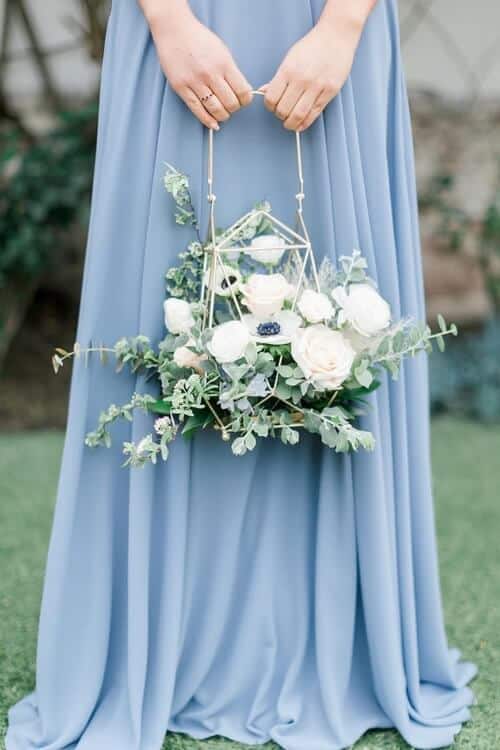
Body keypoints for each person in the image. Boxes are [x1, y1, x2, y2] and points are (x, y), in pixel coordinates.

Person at [6, 1, 477, 749]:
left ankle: (343, 641)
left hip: (329, 24)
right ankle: (150, 644)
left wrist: (341, 28)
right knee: (161, 292)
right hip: (178, 26)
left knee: (342, 303)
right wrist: (169, 22)